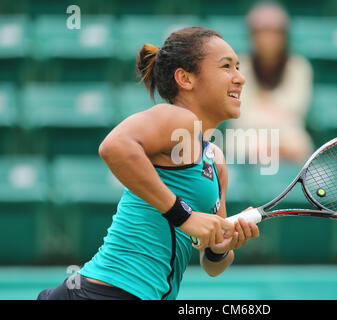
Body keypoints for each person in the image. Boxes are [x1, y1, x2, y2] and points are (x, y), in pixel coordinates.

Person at [37, 26, 259, 300]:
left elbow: (212, 265)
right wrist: (184, 216)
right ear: (185, 78)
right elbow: (114, 146)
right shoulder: (180, 120)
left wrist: (220, 247)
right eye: (227, 67)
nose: (241, 78)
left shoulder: (215, 158)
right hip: (107, 292)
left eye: (238, 67)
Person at [228, 2, 313, 163]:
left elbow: (296, 109)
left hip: (287, 134)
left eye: (274, 32)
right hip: (247, 135)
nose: (267, 39)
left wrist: (263, 103)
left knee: (300, 145)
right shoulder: (240, 66)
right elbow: (240, 111)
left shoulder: (299, 67)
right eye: (261, 32)